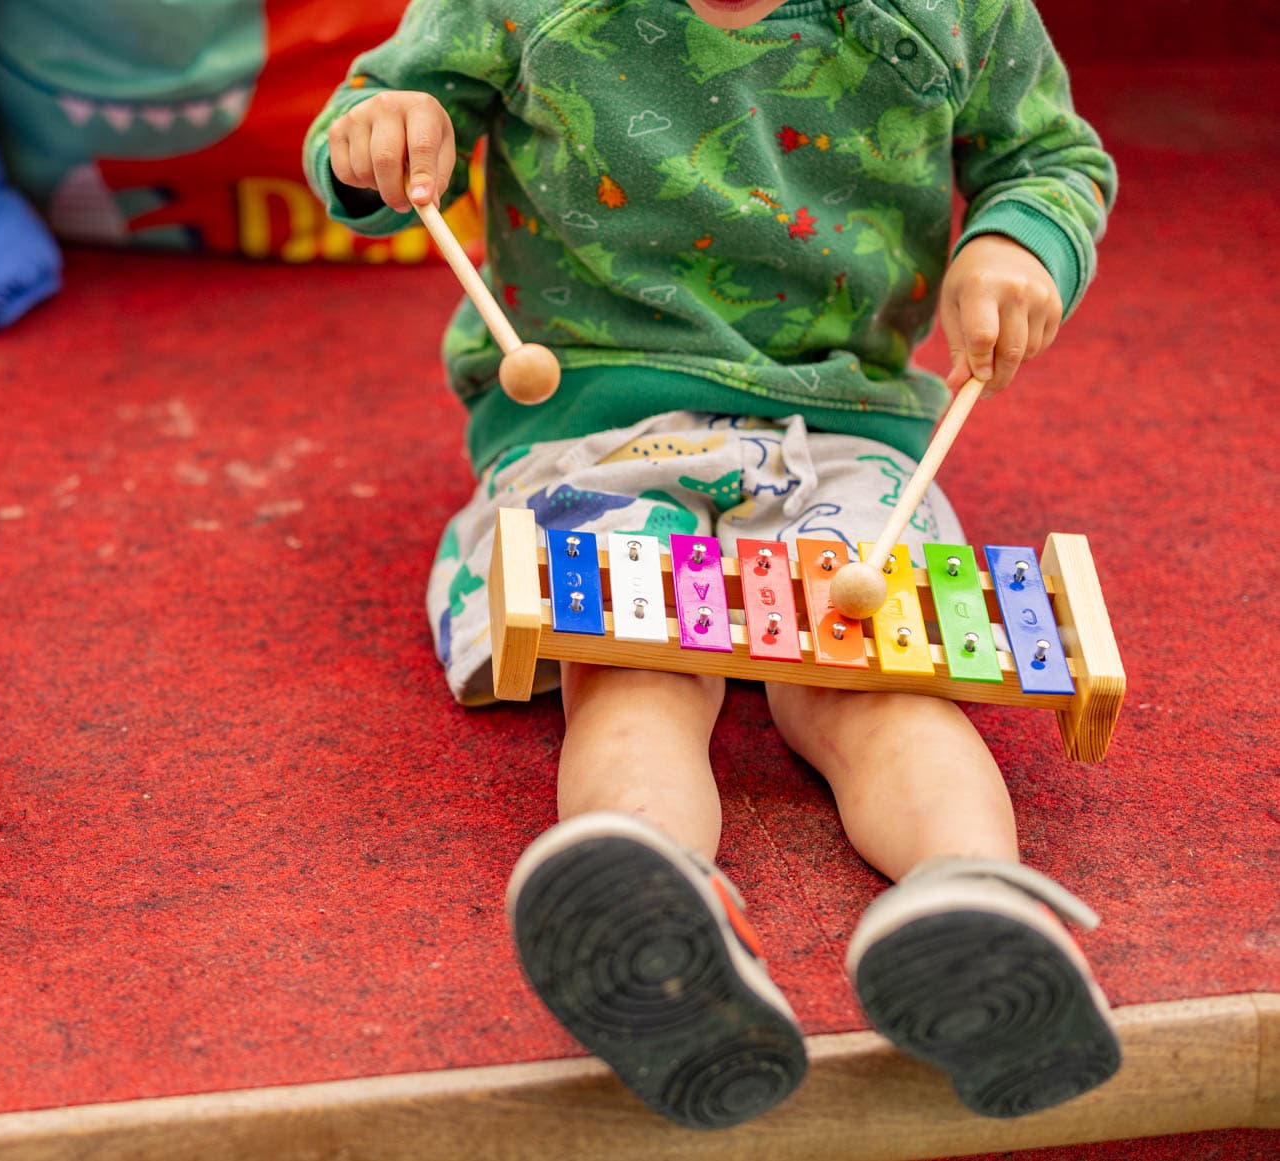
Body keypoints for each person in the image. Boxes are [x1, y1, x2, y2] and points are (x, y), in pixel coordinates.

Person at [305, 0, 1120, 1129]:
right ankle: (652, 910)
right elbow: (377, 112)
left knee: (877, 676)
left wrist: (1018, 240)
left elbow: (1048, 155)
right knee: (637, 668)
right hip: (593, 423)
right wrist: (387, 130)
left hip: (849, 426)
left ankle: (974, 900)